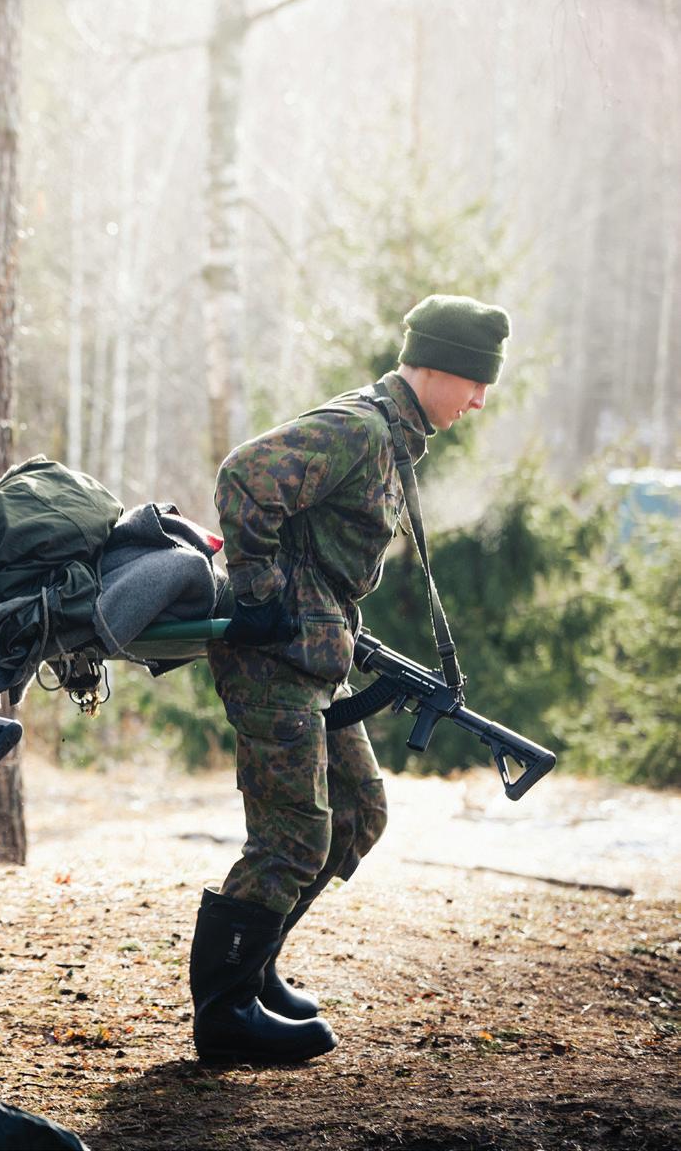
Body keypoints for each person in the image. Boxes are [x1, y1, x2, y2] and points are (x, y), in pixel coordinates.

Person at [192, 294, 511, 1065]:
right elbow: (244, 476)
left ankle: (254, 969)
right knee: (292, 837)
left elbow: (320, 555)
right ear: (435, 368)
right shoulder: (358, 429)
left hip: (315, 658)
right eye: (474, 382)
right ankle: (223, 1015)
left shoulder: (394, 442)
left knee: (358, 812)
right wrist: (261, 594)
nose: (477, 401)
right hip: (273, 659)